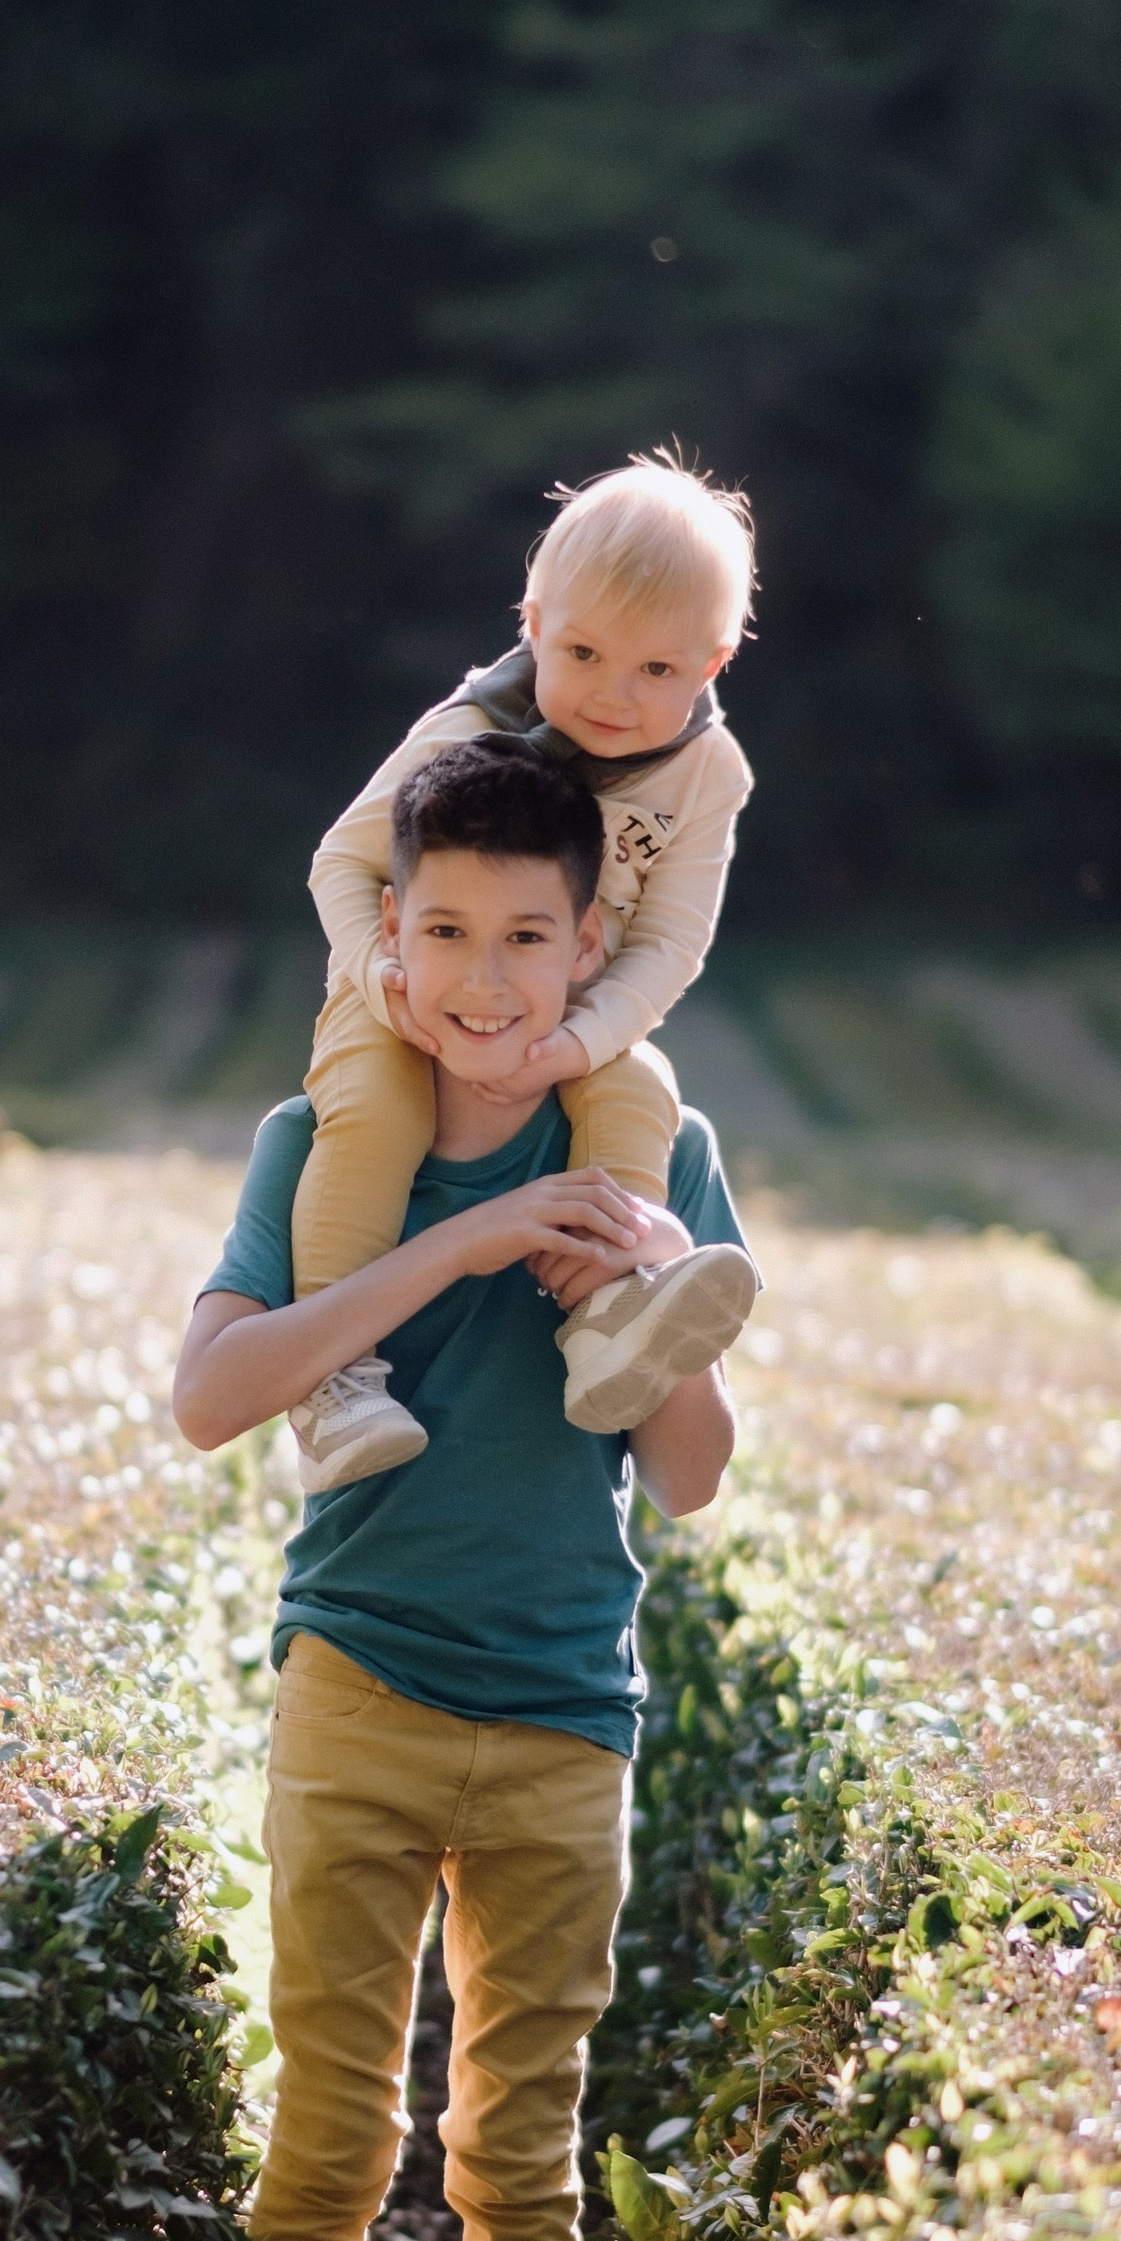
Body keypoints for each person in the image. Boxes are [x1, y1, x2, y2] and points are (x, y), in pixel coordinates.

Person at [171, 740, 756, 2241]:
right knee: (326, 2145)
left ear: (595, 944)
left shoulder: (645, 1146)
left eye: (529, 934)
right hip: (356, 1686)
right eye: (446, 933)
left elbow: (689, 1472)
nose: (489, 978)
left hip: (567, 1708)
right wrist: (467, 1243)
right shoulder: (319, 1143)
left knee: (518, 2159)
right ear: (391, 953)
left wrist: (646, 1290)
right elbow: (212, 1398)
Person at [286, 451, 758, 1492]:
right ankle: (332, 1383)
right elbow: (343, 862)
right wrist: (383, 981)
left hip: (572, 1009)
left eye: (657, 672)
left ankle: (612, 1309)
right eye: (584, 652)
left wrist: (578, 1044)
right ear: (532, 622)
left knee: (638, 1090)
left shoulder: (705, 775)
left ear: (712, 663)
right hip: (417, 999)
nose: (612, 696)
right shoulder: (470, 730)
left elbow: (670, 942)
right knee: (370, 1110)